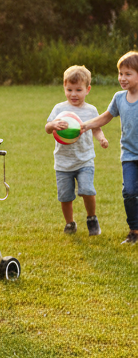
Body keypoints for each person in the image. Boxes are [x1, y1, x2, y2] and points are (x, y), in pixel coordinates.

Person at [80, 51, 138, 244]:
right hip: (129, 155)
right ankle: (134, 231)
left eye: (128, 74)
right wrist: (87, 125)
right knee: (129, 192)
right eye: (120, 73)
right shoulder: (119, 98)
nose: (122, 78)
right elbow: (106, 116)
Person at [45, 64, 108, 236]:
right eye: (69, 89)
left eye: (78, 90)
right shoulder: (59, 109)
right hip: (63, 162)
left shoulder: (91, 110)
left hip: (84, 160)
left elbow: (96, 128)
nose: (73, 94)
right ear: (64, 88)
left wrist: (101, 138)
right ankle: (70, 223)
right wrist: (53, 125)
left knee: (87, 189)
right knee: (65, 197)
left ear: (87, 90)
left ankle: (91, 218)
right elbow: (47, 127)